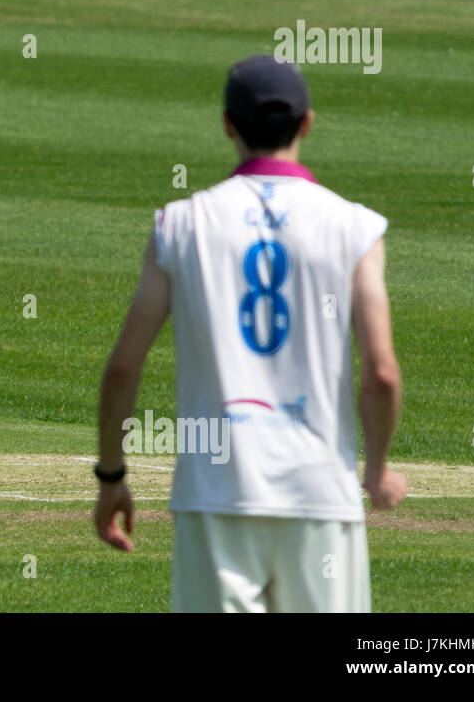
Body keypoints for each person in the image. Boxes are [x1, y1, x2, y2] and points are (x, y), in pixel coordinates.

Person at [92, 53, 407, 612]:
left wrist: (112, 475)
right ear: (307, 123)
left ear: (228, 124)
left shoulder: (180, 225)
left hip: (217, 495)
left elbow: (123, 366)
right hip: (319, 497)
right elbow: (381, 373)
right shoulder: (354, 227)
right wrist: (378, 471)